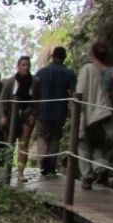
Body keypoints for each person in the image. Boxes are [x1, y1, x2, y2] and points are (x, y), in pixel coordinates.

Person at [76, 40, 113, 190]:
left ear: (93, 53)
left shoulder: (88, 69)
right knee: (99, 145)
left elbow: (80, 91)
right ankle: (101, 166)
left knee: (83, 145)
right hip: (105, 113)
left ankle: (87, 176)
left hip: (89, 111)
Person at [32, 46, 78, 177]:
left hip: (42, 110)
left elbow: (33, 90)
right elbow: (74, 91)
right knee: (55, 137)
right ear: (64, 57)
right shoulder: (69, 74)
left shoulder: (41, 72)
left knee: (40, 135)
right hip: (59, 111)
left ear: (52, 56)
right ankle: (51, 164)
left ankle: (44, 156)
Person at [0, 56, 36, 182]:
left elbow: (38, 100)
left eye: (28, 65)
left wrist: (33, 114)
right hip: (11, 117)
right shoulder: (10, 82)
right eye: (23, 65)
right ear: (18, 66)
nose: (26, 67)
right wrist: (3, 116)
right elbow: (2, 100)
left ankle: (20, 173)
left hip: (26, 116)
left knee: (23, 145)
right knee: (9, 145)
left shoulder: (34, 82)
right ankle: (7, 171)